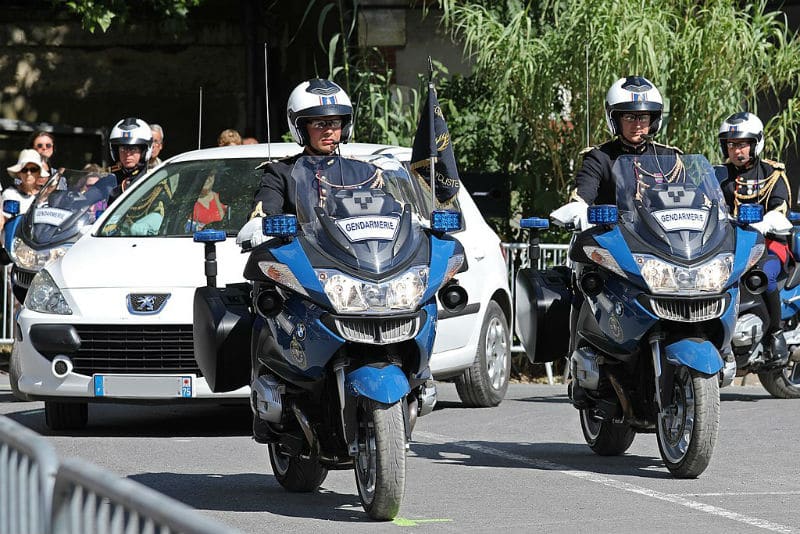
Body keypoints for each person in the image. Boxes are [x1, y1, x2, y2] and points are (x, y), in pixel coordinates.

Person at [718, 111, 791, 367]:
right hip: (729, 243)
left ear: (756, 143)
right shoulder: (719, 175)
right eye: (731, 144)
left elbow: (781, 207)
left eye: (742, 144)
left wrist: (763, 222)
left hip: (771, 244)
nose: (736, 151)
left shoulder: (772, 172)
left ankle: (775, 334)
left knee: (763, 275)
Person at [250, 78, 353, 220]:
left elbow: (389, 211)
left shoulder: (360, 171)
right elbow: (264, 213)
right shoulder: (281, 173)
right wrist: (262, 224)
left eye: (335, 122)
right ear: (302, 129)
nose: (329, 131)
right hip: (300, 242)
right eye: (320, 124)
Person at [571, 76, 681, 206]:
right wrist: (577, 208)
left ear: (653, 121)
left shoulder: (667, 156)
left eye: (644, 117)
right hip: (616, 226)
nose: (638, 125)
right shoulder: (600, 157)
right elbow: (583, 194)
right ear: (616, 120)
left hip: (663, 226)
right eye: (630, 117)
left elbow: (695, 196)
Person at [107, 117, 156, 205]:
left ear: (144, 152)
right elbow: (86, 198)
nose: (127, 154)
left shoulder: (153, 180)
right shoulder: (110, 180)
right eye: (123, 149)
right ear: (115, 152)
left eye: (133, 149)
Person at [3, 149, 50, 220]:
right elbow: (7, 224)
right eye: (24, 170)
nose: (28, 173)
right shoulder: (10, 194)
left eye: (33, 170)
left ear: (39, 173)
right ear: (18, 173)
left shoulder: (47, 195)